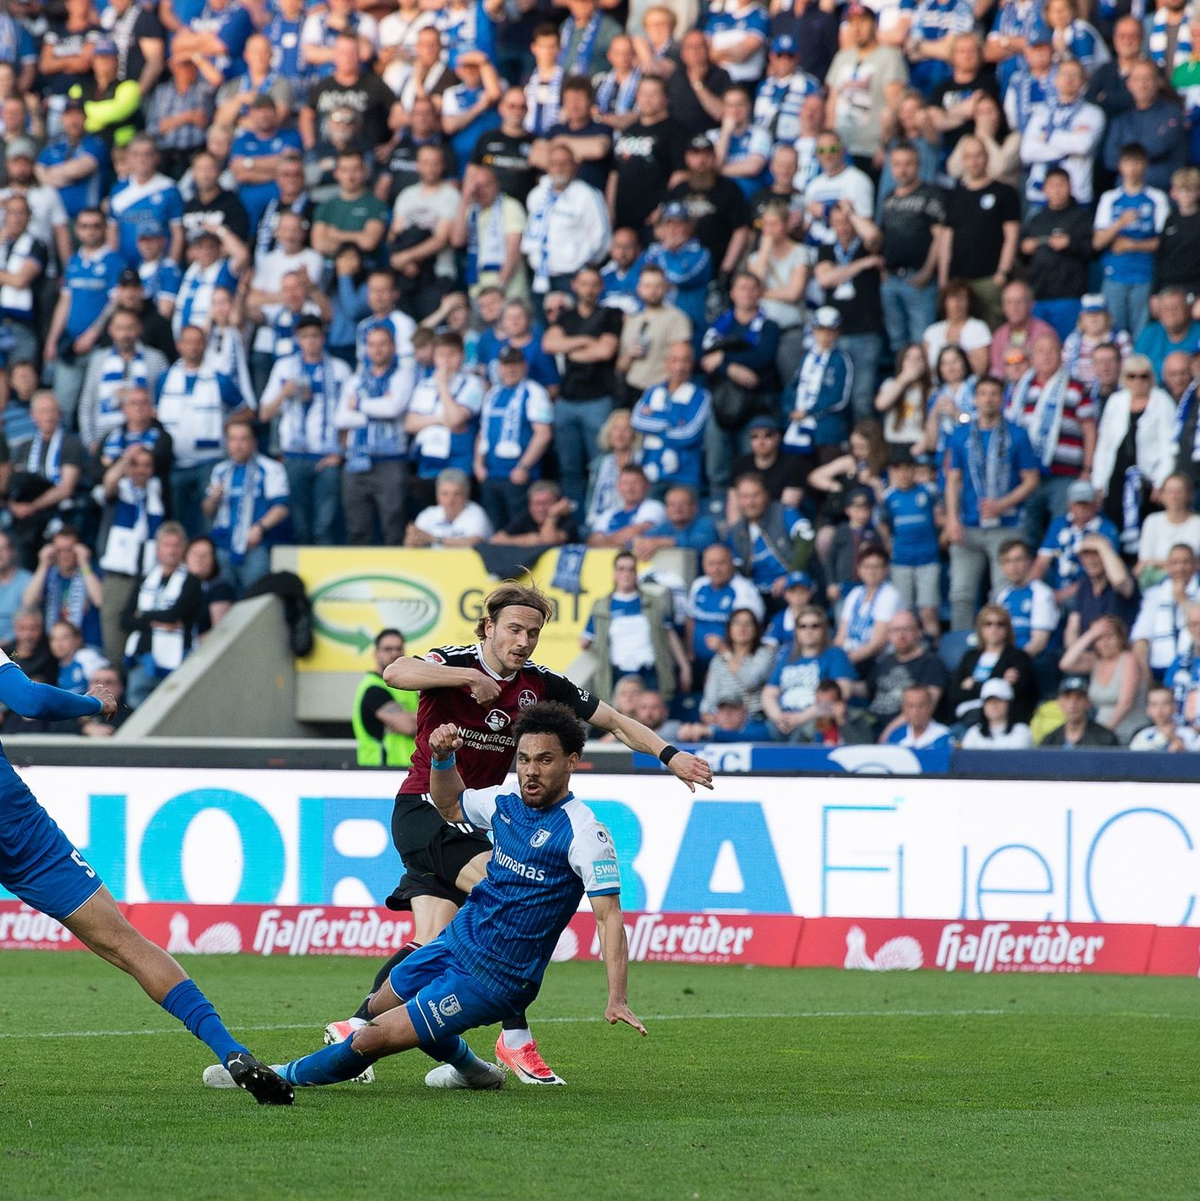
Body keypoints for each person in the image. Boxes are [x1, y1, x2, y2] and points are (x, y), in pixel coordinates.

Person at [321, 582, 710, 1087]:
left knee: (433, 940)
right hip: (426, 809)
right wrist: (466, 679)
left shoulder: (538, 683)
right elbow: (396, 671)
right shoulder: (452, 661)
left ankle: (360, 1027)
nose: (523, 641)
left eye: (533, 632)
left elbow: (613, 719)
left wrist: (669, 755)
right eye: (513, 629)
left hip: (479, 818)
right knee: (508, 893)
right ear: (488, 628)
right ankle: (515, 1036)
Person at [260, 701, 645, 1095]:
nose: (531, 770)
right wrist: (443, 760)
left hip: (495, 979)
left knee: (370, 1039)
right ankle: (473, 1069)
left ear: (571, 762)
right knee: (379, 1004)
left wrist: (617, 997)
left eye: (545, 760)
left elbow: (608, 917)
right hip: (453, 943)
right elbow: (449, 805)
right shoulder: (506, 800)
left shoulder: (585, 834)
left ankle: (276, 1075)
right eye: (524, 759)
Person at [0, 649, 292, 1101]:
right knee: (126, 943)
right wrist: (94, 702)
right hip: (14, 820)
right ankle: (230, 1049)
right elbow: (32, 702)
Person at [944, 375, 1040, 630]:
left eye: (993, 394)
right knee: (960, 593)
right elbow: (953, 479)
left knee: (1002, 592)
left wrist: (1002, 503)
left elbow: (1031, 479)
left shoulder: (1016, 435)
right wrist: (952, 519)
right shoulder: (960, 434)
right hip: (968, 524)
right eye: (983, 393)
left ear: (1002, 399)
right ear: (975, 399)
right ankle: (961, 649)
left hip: (1005, 524)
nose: (988, 399)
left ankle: (999, 648)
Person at [542, 267, 623, 508]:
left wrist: (569, 348)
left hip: (598, 399)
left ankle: (600, 514)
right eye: (583, 283)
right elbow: (549, 344)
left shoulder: (611, 314)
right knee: (569, 467)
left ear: (601, 287)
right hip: (567, 401)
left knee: (601, 464)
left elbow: (605, 351)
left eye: (593, 284)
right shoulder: (566, 317)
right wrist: (586, 341)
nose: (588, 289)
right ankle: (574, 519)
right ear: (574, 285)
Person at [334, 322, 415, 546]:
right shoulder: (355, 380)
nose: (377, 349)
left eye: (382, 344)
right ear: (366, 349)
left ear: (393, 347)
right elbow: (340, 418)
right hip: (356, 462)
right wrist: (375, 408)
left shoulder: (403, 376)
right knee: (357, 528)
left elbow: (393, 408)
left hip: (390, 461)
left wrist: (358, 404)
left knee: (393, 524)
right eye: (372, 345)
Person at [1091, 353, 1176, 551]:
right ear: (1125, 378)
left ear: (1151, 377)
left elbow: (1168, 446)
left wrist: (1161, 481)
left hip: (1147, 479)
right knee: (1115, 521)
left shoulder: (1162, 402)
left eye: (1143, 376)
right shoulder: (1116, 401)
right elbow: (1105, 444)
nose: (1137, 381)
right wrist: (1099, 481)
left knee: (1145, 524)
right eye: (1132, 376)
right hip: (1117, 475)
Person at [580, 551, 691, 699]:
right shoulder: (601, 606)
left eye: (631, 569)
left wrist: (684, 667)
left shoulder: (654, 602)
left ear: (636, 573)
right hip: (618, 673)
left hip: (650, 672)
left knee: (652, 715)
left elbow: (669, 635)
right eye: (621, 569)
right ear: (614, 574)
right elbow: (585, 641)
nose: (626, 574)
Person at [939, 136, 1021, 328]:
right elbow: (946, 239)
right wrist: (944, 279)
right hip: (959, 279)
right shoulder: (954, 196)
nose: (973, 161)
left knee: (994, 329)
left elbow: (1012, 235)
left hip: (990, 278)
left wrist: (1002, 272)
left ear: (987, 157)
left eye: (978, 156)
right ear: (962, 161)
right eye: (968, 157)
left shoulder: (1005, 192)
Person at [202, 419, 290, 596]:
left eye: (243, 439)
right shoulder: (221, 470)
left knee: (254, 598)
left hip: (255, 546)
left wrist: (259, 528)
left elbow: (281, 508)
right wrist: (213, 500)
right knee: (223, 598)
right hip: (223, 545)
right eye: (233, 439)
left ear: (254, 442)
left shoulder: (271, 468)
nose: (238, 445)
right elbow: (207, 510)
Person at [1093, 142, 1170, 343]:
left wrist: (1131, 245)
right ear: (1120, 166)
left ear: (1145, 165)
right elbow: (1098, 241)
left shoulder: (1157, 198)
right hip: (1115, 274)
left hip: (1145, 274)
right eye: (1128, 162)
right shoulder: (1110, 198)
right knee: (1113, 334)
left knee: (1141, 334)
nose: (1133, 168)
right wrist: (1120, 223)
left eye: (1137, 162)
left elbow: (1165, 242)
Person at [120, 521, 201, 707]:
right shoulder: (145, 579)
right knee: (135, 705)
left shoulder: (191, 581)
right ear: (158, 549)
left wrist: (143, 615)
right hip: (143, 659)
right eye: (166, 545)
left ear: (183, 549)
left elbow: (174, 614)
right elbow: (125, 621)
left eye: (176, 545)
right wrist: (153, 622)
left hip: (178, 659)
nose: (171, 550)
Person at [879, 141, 946, 356]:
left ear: (918, 165)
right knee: (897, 342)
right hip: (891, 279)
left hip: (919, 280)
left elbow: (941, 238)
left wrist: (928, 271)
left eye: (908, 163)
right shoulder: (888, 198)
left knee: (922, 341)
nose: (902, 169)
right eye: (897, 164)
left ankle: (923, 387)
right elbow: (884, 236)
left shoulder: (931, 194)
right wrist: (882, 269)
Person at [761, 606, 857, 739]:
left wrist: (800, 718)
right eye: (803, 626)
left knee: (806, 734)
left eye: (815, 626)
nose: (809, 631)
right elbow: (768, 693)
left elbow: (842, 692)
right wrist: (779, 717)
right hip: (782, 720)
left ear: (824, 629)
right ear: (796, 631)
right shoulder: (787, 657)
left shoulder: (835, 654)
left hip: (816, 719)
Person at [879, 447, 941, 640]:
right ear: (892, 472)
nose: (903, 474)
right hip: (901, 560)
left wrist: (942, 540)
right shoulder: (888, 497)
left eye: (908, 468)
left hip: (928, 558)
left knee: (927, 611)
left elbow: (941, 517)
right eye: (898, 469)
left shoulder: (929, 492)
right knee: (904, 613)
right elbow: (882, 523)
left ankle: (933, 651)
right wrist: (888, 544)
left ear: (914, 470)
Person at [1059, 613, 1148, 744]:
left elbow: (1125, 704)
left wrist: (1102, 734)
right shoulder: (1096, 662)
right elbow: (1065, 664)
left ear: (1120, 638)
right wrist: (1091, 634)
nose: (1105, 642)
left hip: (1126, 731)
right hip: (1100, 732)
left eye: (1110, 636)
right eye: (1099, 638)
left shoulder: (1129, 659)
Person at [948, 603, 1039, 726]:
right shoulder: (970, 656)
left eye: (1000, 624)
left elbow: (1017, 693)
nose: (994, 628)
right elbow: (954, 693)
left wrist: (973, 685)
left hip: (1003, 721)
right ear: (980, 628)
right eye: (988, 624)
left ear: (1008, 628)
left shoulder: (1018, 657)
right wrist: (998, 681)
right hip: (966, 717)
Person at [868, 609, 948, 739]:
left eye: (907, 629)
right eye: (895, 630)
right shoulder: (885, 660)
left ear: (918, 632)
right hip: (872, 724)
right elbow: (867, 688)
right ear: (888, 635)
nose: (901, 635)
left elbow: (924, 707)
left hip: (905, 732)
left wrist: (888, 733)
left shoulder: (931, 662)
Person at [1130, 542, 1200, 678]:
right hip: (1160, 667)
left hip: (1193, 667)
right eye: (1175, 563)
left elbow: (1196, 625)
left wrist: (1183, 601)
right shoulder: (1154, 593)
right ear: (1168, 566)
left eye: (1185, 562)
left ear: (1195, 565)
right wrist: (1146, 676)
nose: (1180, 568)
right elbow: (1141, 635)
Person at [354, 628, 418, 768]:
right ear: (376, 653)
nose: (394, 653)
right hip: (381, 771)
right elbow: (409, 726)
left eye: (399, 649)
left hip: (411, 769)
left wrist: (407, 718)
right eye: (388, 649)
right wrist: (415, 719)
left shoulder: (410, 686)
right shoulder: (373, 688)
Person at [834, 545, 901, 672]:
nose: (871, 571)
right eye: (866, 566)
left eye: (876, 567)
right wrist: (834, 659)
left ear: (886, 569)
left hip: (875, 660)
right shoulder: (855, 593)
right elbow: (840, 637)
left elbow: (877, 644)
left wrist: (845, 662)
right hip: (850, 655)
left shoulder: (890, 595)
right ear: (859, 569)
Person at [407, 468, 493, 548]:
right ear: (437, 496)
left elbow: (474, 543)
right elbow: (411, 544)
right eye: (445, 494)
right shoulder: (427, 514)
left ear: (466, 495)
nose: (450, 500)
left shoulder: (476, 513)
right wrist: (413, 539)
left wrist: (433, 539)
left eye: (456, 494)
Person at [1136, 473, 1200, 580]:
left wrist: (1160, 563)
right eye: (1169, 491)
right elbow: (1144, 562)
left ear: (1189, 494)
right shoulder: (1152, 521)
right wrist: (1183, 565)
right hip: (1156, 580)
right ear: (1162, 495)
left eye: (1179, 491)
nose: (1174, 496)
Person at [1040, 674, 1120, 747]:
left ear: (1089, 702)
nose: (1073, 704)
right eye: (1068, 698)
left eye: (1079, 698)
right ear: (1060, 702)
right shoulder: (1050, 741)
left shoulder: (1105, 739)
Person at [960, 678, 1034, 748]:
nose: (994, 705)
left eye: (999, 701)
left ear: (1008, 704)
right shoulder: (974, 733)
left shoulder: (1021, 732)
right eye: (989, 701)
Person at [1129, 683, 1200, 750]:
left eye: (1165, 704)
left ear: (1174, 707)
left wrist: (1175, 740)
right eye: (1154, 704)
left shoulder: (1189, 735)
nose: (1160, 710)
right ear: (1148, 709)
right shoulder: (1142, 736)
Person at [882, 684, 953, 750]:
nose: (915, 711)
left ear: (930, 707)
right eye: (910, 706)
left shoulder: (944, 735)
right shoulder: (896, 735)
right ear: (903, 708)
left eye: (921, 706)